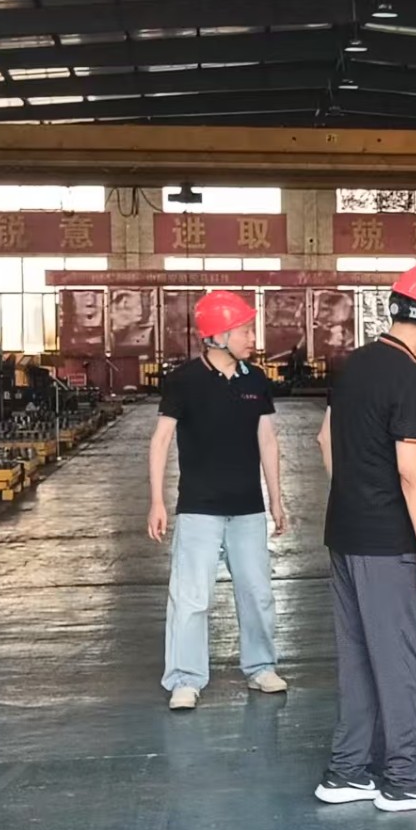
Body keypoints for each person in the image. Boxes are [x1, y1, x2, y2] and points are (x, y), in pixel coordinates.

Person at [314, 261, 416, 813]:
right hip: (388, 543)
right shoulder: (407, 374)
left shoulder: (354, 364)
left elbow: (325, 440)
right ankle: (405, 777)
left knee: (357, 658)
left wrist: (357, 495)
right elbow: (411, 471)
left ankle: (348, 771)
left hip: (345, 533)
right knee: (402, 660)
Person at [148, 289, 286, 712]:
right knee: (191, 597)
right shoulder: (184, 380)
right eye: (245, 330)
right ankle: (185, 679)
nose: (252, 338)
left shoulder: (255, 380)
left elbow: (267, 440)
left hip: (247, 508)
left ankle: (261, 667)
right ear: (219, 335)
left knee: (257, 592)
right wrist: (157, 501)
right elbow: (161, 440)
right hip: (199, 508)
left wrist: (276, 500)